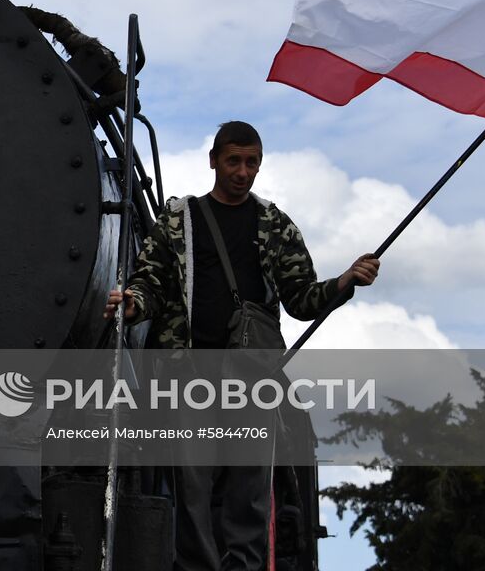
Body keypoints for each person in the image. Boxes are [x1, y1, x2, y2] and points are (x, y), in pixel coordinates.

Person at [103, 120, 379, 571]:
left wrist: (344, 282)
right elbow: (148, 281)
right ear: (214, 160)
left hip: (251, 376)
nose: (243, 172)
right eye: (234, 161)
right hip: (188, 373)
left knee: (249, 489)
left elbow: (302, 299)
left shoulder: (275, 225)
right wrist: (132, 304)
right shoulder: (178, 219)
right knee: (190, 487)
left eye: (252, 163)